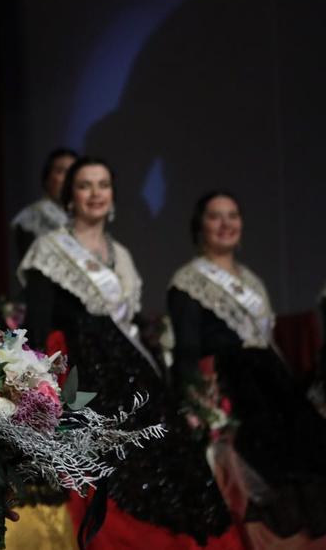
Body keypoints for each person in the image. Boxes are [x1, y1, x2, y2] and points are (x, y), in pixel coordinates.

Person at [20, 157, 241, 549]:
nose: (95, 194)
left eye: (103, 185)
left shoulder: (120, 255)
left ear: (113, 195)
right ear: (70, 196)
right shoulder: (49, 250)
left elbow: (130, 322)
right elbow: (37, 329)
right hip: (85, 370)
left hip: (132, 369)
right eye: (85, 185)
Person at [169, 191, 326, 541]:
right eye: (215, 216)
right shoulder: (187, 282)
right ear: (199, 226)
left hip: (272, 381)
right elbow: (187, 352)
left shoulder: (251, 280)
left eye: (233, 215)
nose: (226, 224)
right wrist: (199, 407)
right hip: (234, 385)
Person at [11, 147, 77, 262]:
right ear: (47, 178)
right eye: (61, 171)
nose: (69, 179)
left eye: (73, 172)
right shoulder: (32, 217)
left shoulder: (85, 215)